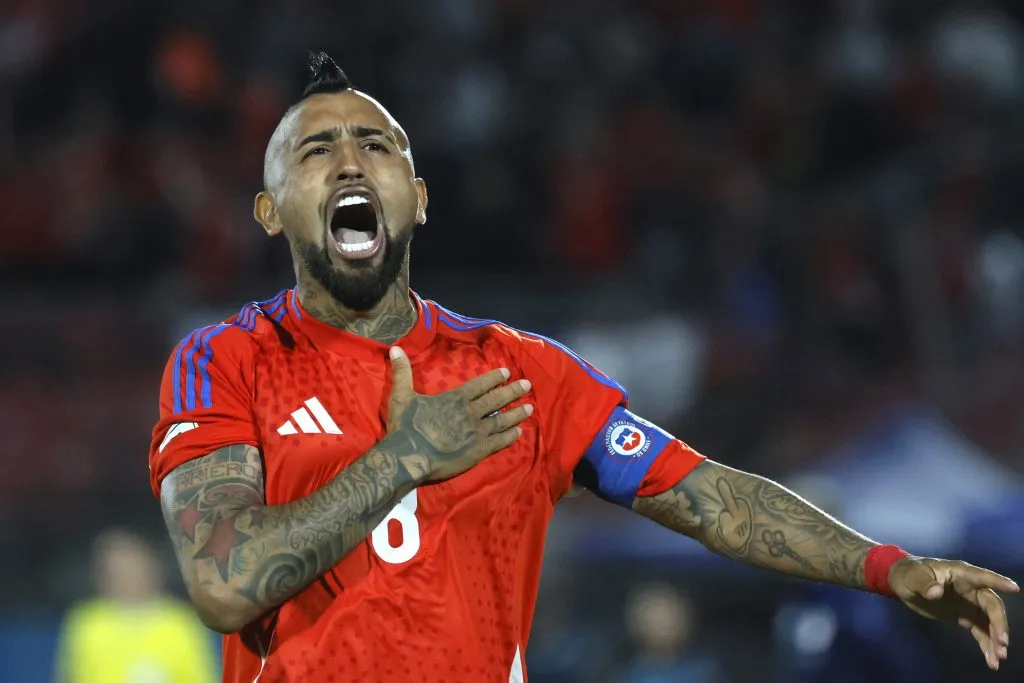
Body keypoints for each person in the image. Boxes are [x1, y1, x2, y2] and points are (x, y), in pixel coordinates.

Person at [148, 52, 1018, 683]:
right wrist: (402, 459)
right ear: (269, 211)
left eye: (377, 145)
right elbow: (222, 584)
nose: (349, 160)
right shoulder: (226, 361)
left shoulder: (522, 372)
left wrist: (886, 566)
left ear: (419, 197)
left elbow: (710, 496)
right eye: (316, 150)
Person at [55, 529, 218, 683]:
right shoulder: (86, 623)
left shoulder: (182, 623)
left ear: (151, 569)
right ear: (103, 576)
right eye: (118, 571)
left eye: (132, 568)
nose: (127, 578)